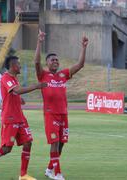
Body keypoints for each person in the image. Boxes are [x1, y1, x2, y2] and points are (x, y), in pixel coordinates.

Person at [0, 56, 46, 180]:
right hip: (10, 118)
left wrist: (19, 99)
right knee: (6, 149)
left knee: (28, 143)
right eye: (18, 64)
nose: (20, 66)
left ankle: (23, 175)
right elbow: (16, 90)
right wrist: (36, 86)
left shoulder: (14, 78)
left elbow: (14, 93)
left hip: (20, 117)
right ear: (12, 66)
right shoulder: (6, 77)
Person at [34, 30, 88, 180]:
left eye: (57, 60)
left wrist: (83, 47)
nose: (55, 62)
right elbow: (36, 62)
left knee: (62, 143)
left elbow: (80, 65)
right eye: (52, 60)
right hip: (51, 114)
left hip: (63, 114)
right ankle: (57, 173)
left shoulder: (63, 74)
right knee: (55, 142)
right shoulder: (42, 74)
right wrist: (39, 42)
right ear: (47, 63)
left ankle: (50, 169)